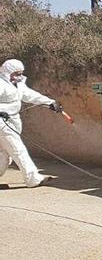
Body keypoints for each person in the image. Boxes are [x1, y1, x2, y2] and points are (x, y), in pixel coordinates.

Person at [0, 59, 62, 187]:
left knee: (5, 154)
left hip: (12, 120)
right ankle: (32, 178)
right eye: (16, 73)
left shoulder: (19, 84)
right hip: (2, 123)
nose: (19, 76)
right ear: (8, 72)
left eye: (21, 73)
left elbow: (30, 95)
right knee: (18, 149)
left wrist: (49, 103)